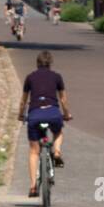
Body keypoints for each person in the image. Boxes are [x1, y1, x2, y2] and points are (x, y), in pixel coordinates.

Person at [18, 50, 73, 198]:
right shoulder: (57, 77)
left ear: (37, 63)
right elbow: (63, 100)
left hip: (35, 115)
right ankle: (56, 152)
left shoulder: (30, 77)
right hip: (53, 114)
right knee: (58, 132)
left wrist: (20, 114)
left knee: (34, 151)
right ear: (50, 64)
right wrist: (67, 114)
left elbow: (23, 100)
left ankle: (33, 187)